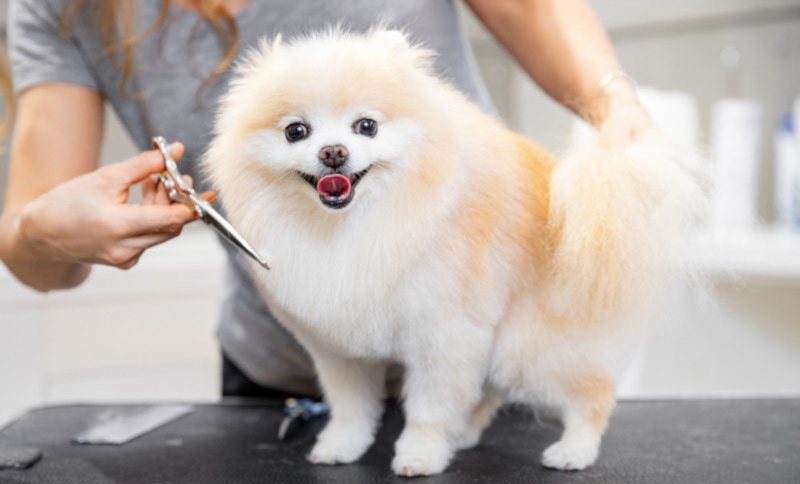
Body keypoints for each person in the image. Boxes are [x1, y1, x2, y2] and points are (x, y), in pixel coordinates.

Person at [0, 0, 653, 398]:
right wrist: (40, 234)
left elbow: (535, 9)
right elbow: (32, 245)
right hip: (290, 372)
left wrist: (615, 104)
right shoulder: (62, 6)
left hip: (497, 357)